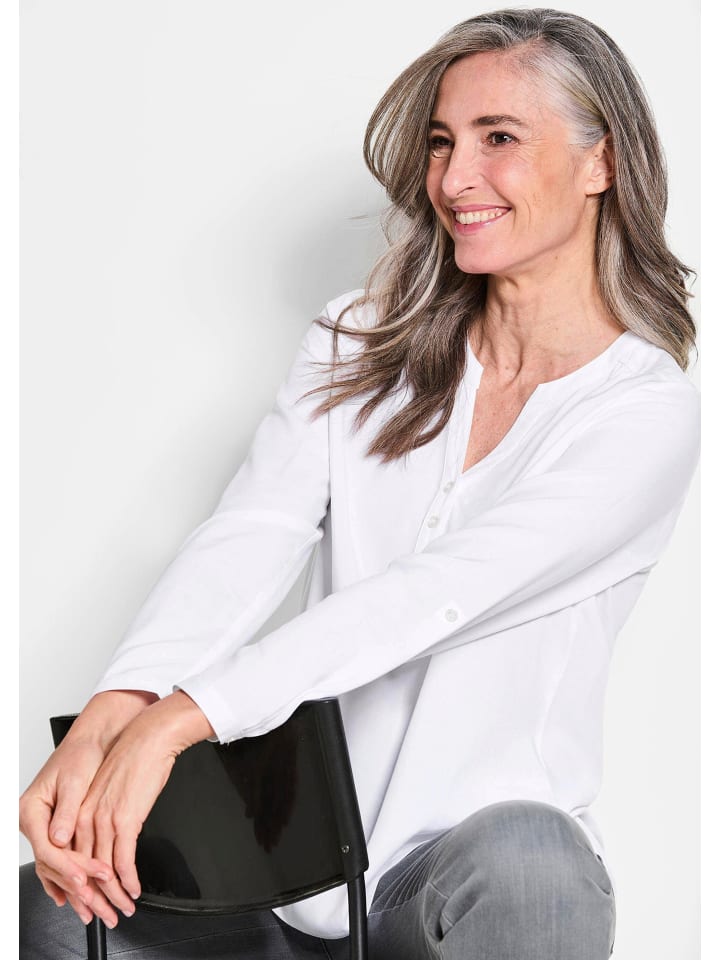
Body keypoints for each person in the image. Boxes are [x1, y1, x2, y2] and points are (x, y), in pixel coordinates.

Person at [19, 7, 698, 960]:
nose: (454, 179)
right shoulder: (361, 339)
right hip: (291, 878)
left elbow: (432, 597)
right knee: (60, 906)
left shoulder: (641, 412)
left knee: (536, 864)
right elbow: (251, 534)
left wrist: (182, 720)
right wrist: (117, 709)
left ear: (603, 162)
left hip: (458, 894)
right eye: (442, 142)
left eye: (499, 139)